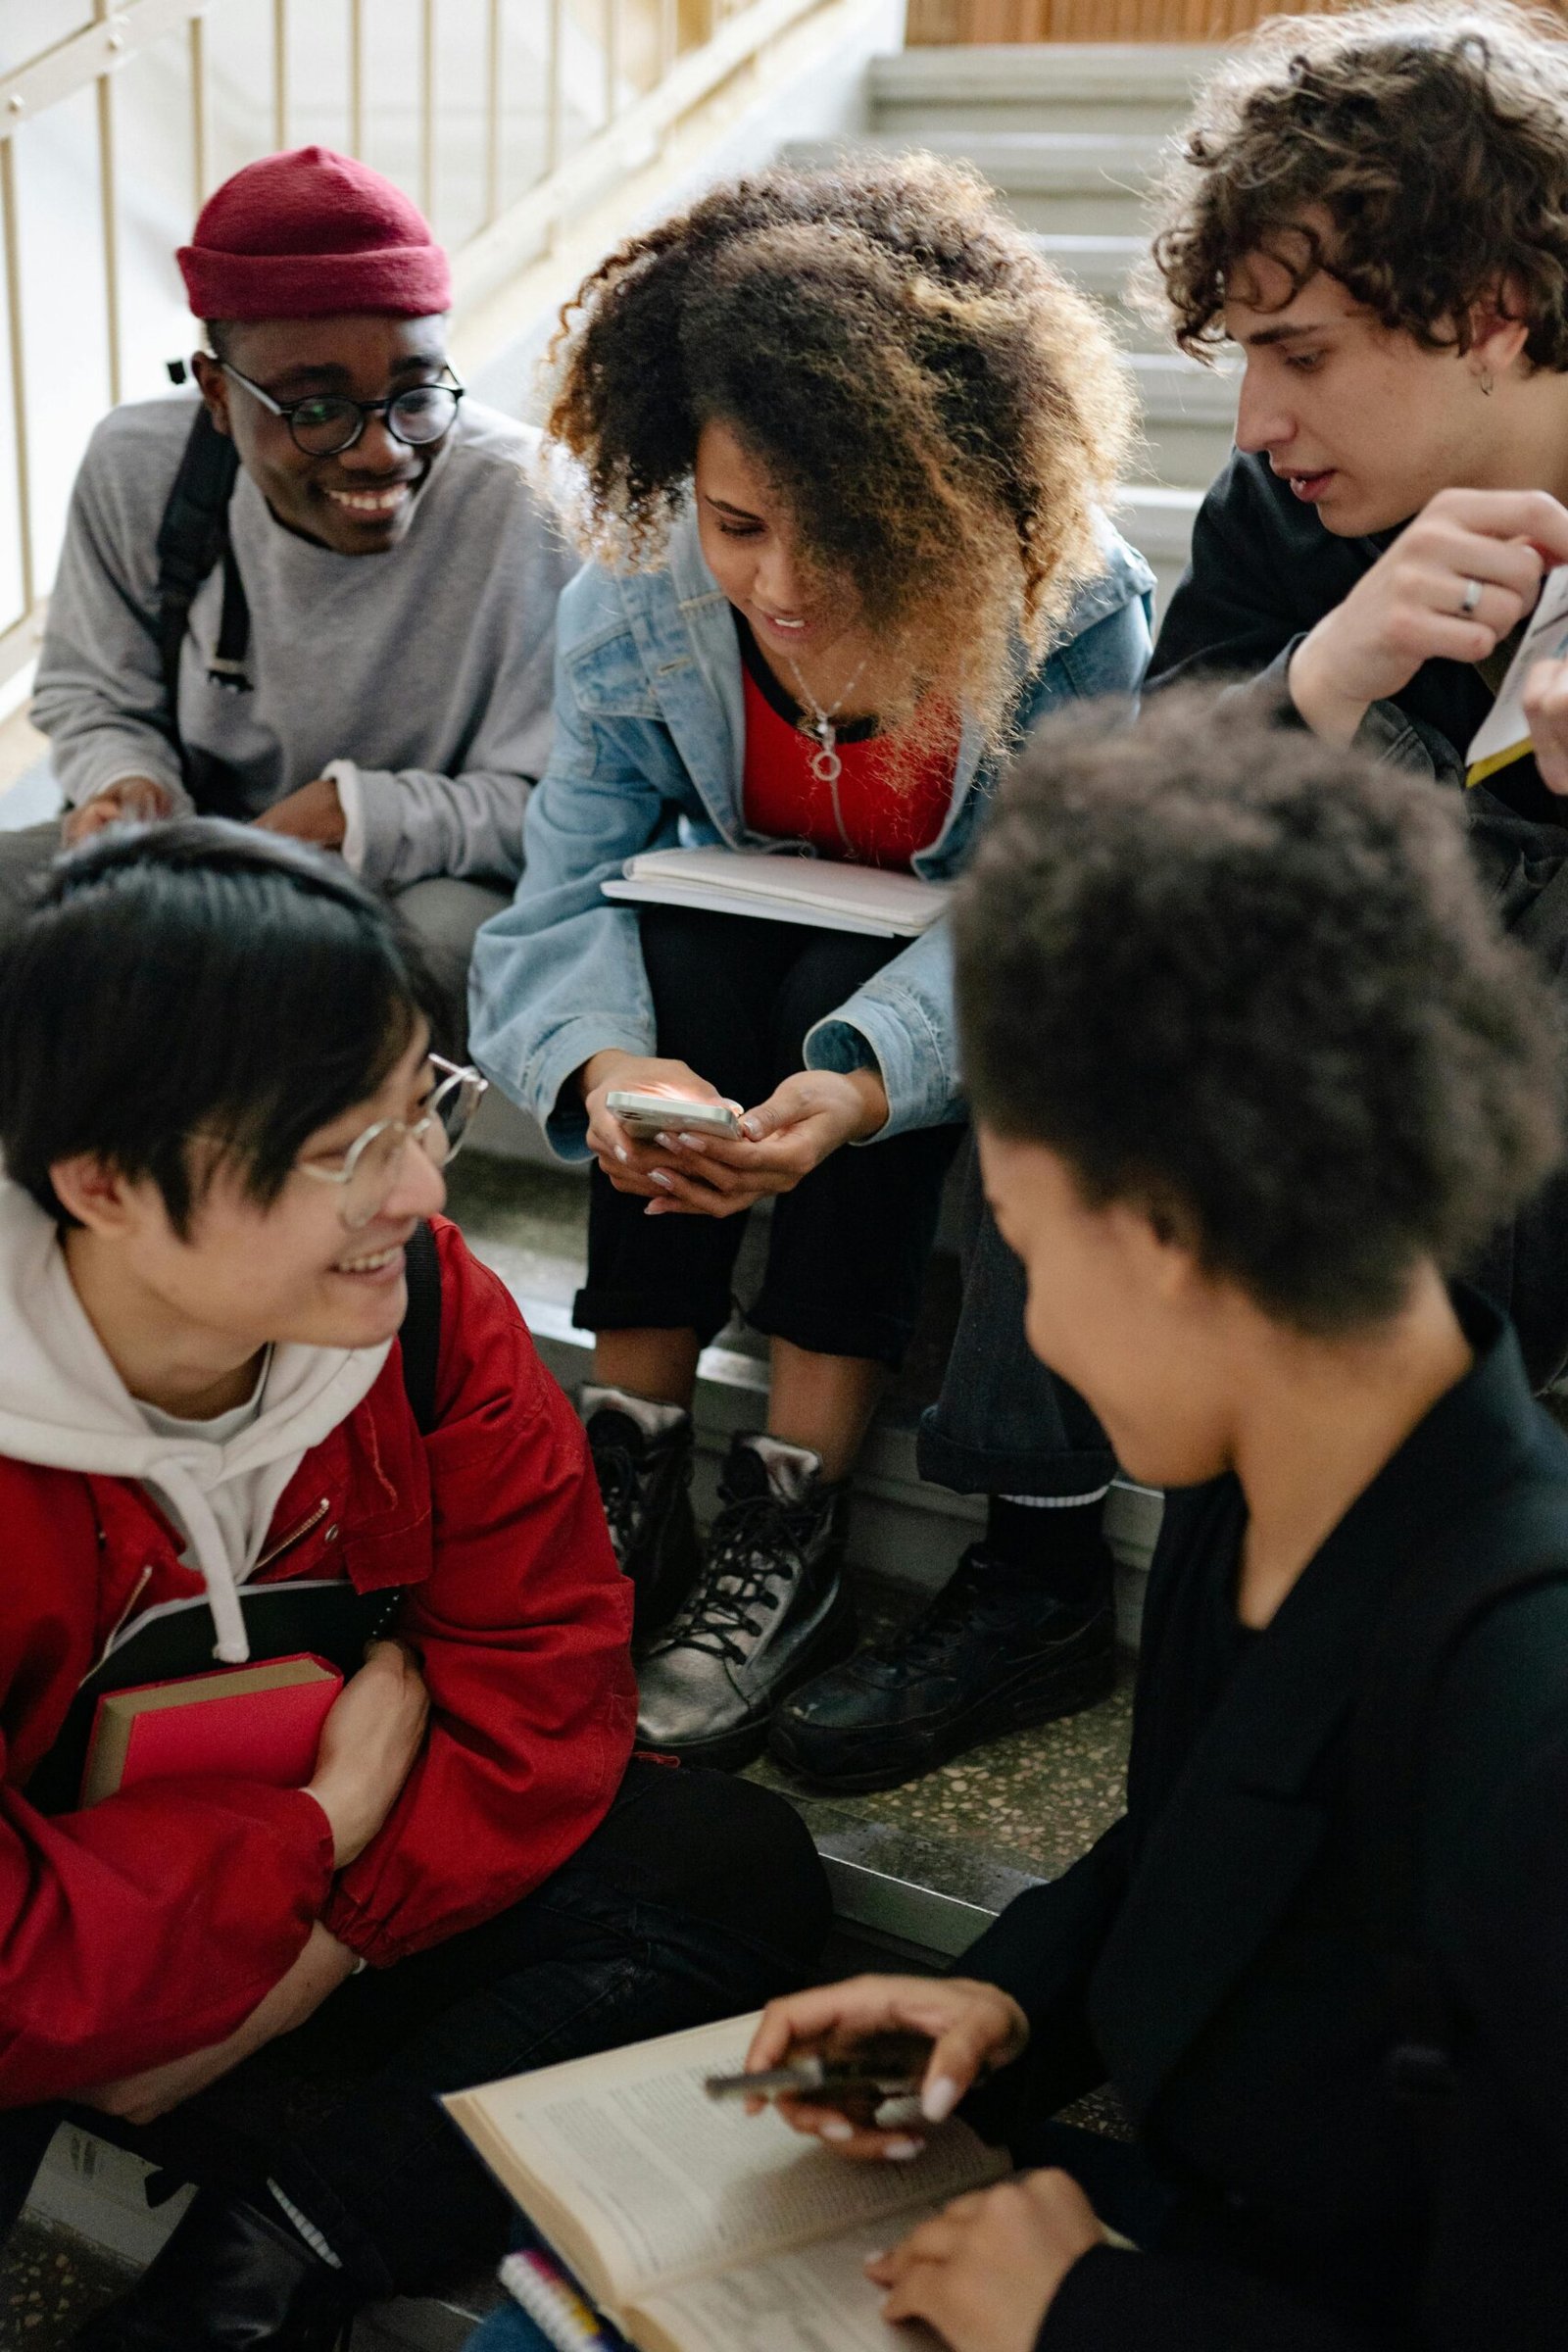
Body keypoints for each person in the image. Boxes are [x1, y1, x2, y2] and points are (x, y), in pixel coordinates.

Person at [740, 691, 1568, 2351]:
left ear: (1173, 1230)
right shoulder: (1266, 1463)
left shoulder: (1530, 1701)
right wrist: (1005, 2000)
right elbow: (1210, 1846)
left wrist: (1088, 2316)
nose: (1033, 1327)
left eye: (1030, 1251)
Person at [0, 822, 829, 2351]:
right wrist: (317, 1826)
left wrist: (313, 1959)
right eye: (342, 1151)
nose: (418, 1188)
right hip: (84, 1946)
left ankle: (266, 2267)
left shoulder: (426, 1303)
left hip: (300, 1905)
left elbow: (544, 1665)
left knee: (723, 1872)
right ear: (101, 1182)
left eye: (421, 1110)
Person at [468, 156, 1153, 1772]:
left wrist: (851, 1085)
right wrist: (601, 1071)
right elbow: (561, 888)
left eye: (836, 528)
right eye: (737, 522)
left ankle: (794, 1512)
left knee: (835, 1032)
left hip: (942, 1008)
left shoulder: (1068, 612)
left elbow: (1038, 919)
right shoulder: (635, 590)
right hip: (728, 965)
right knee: (682, 949)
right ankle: (630, 1460)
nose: (777, 583)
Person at [1144, 0, 1568, 1386]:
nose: (1260, 422)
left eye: (1303, 353)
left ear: (1490, 316)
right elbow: (1139, 849)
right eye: (1252, 355)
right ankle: (1042, 1548)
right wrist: (1323, 675)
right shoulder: (1281, 507)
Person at [2, 143, 576, 1051]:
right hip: (201, 841)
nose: (381, 451)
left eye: (416, 392)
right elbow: (90, 694)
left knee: (429, 945)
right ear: (218, 396)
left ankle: (364, 1186)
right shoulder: (141, 468)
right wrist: (127, 784)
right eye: (317, 409)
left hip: (422, 871)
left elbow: (566, 797)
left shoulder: (531, 501)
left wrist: (363, 817)